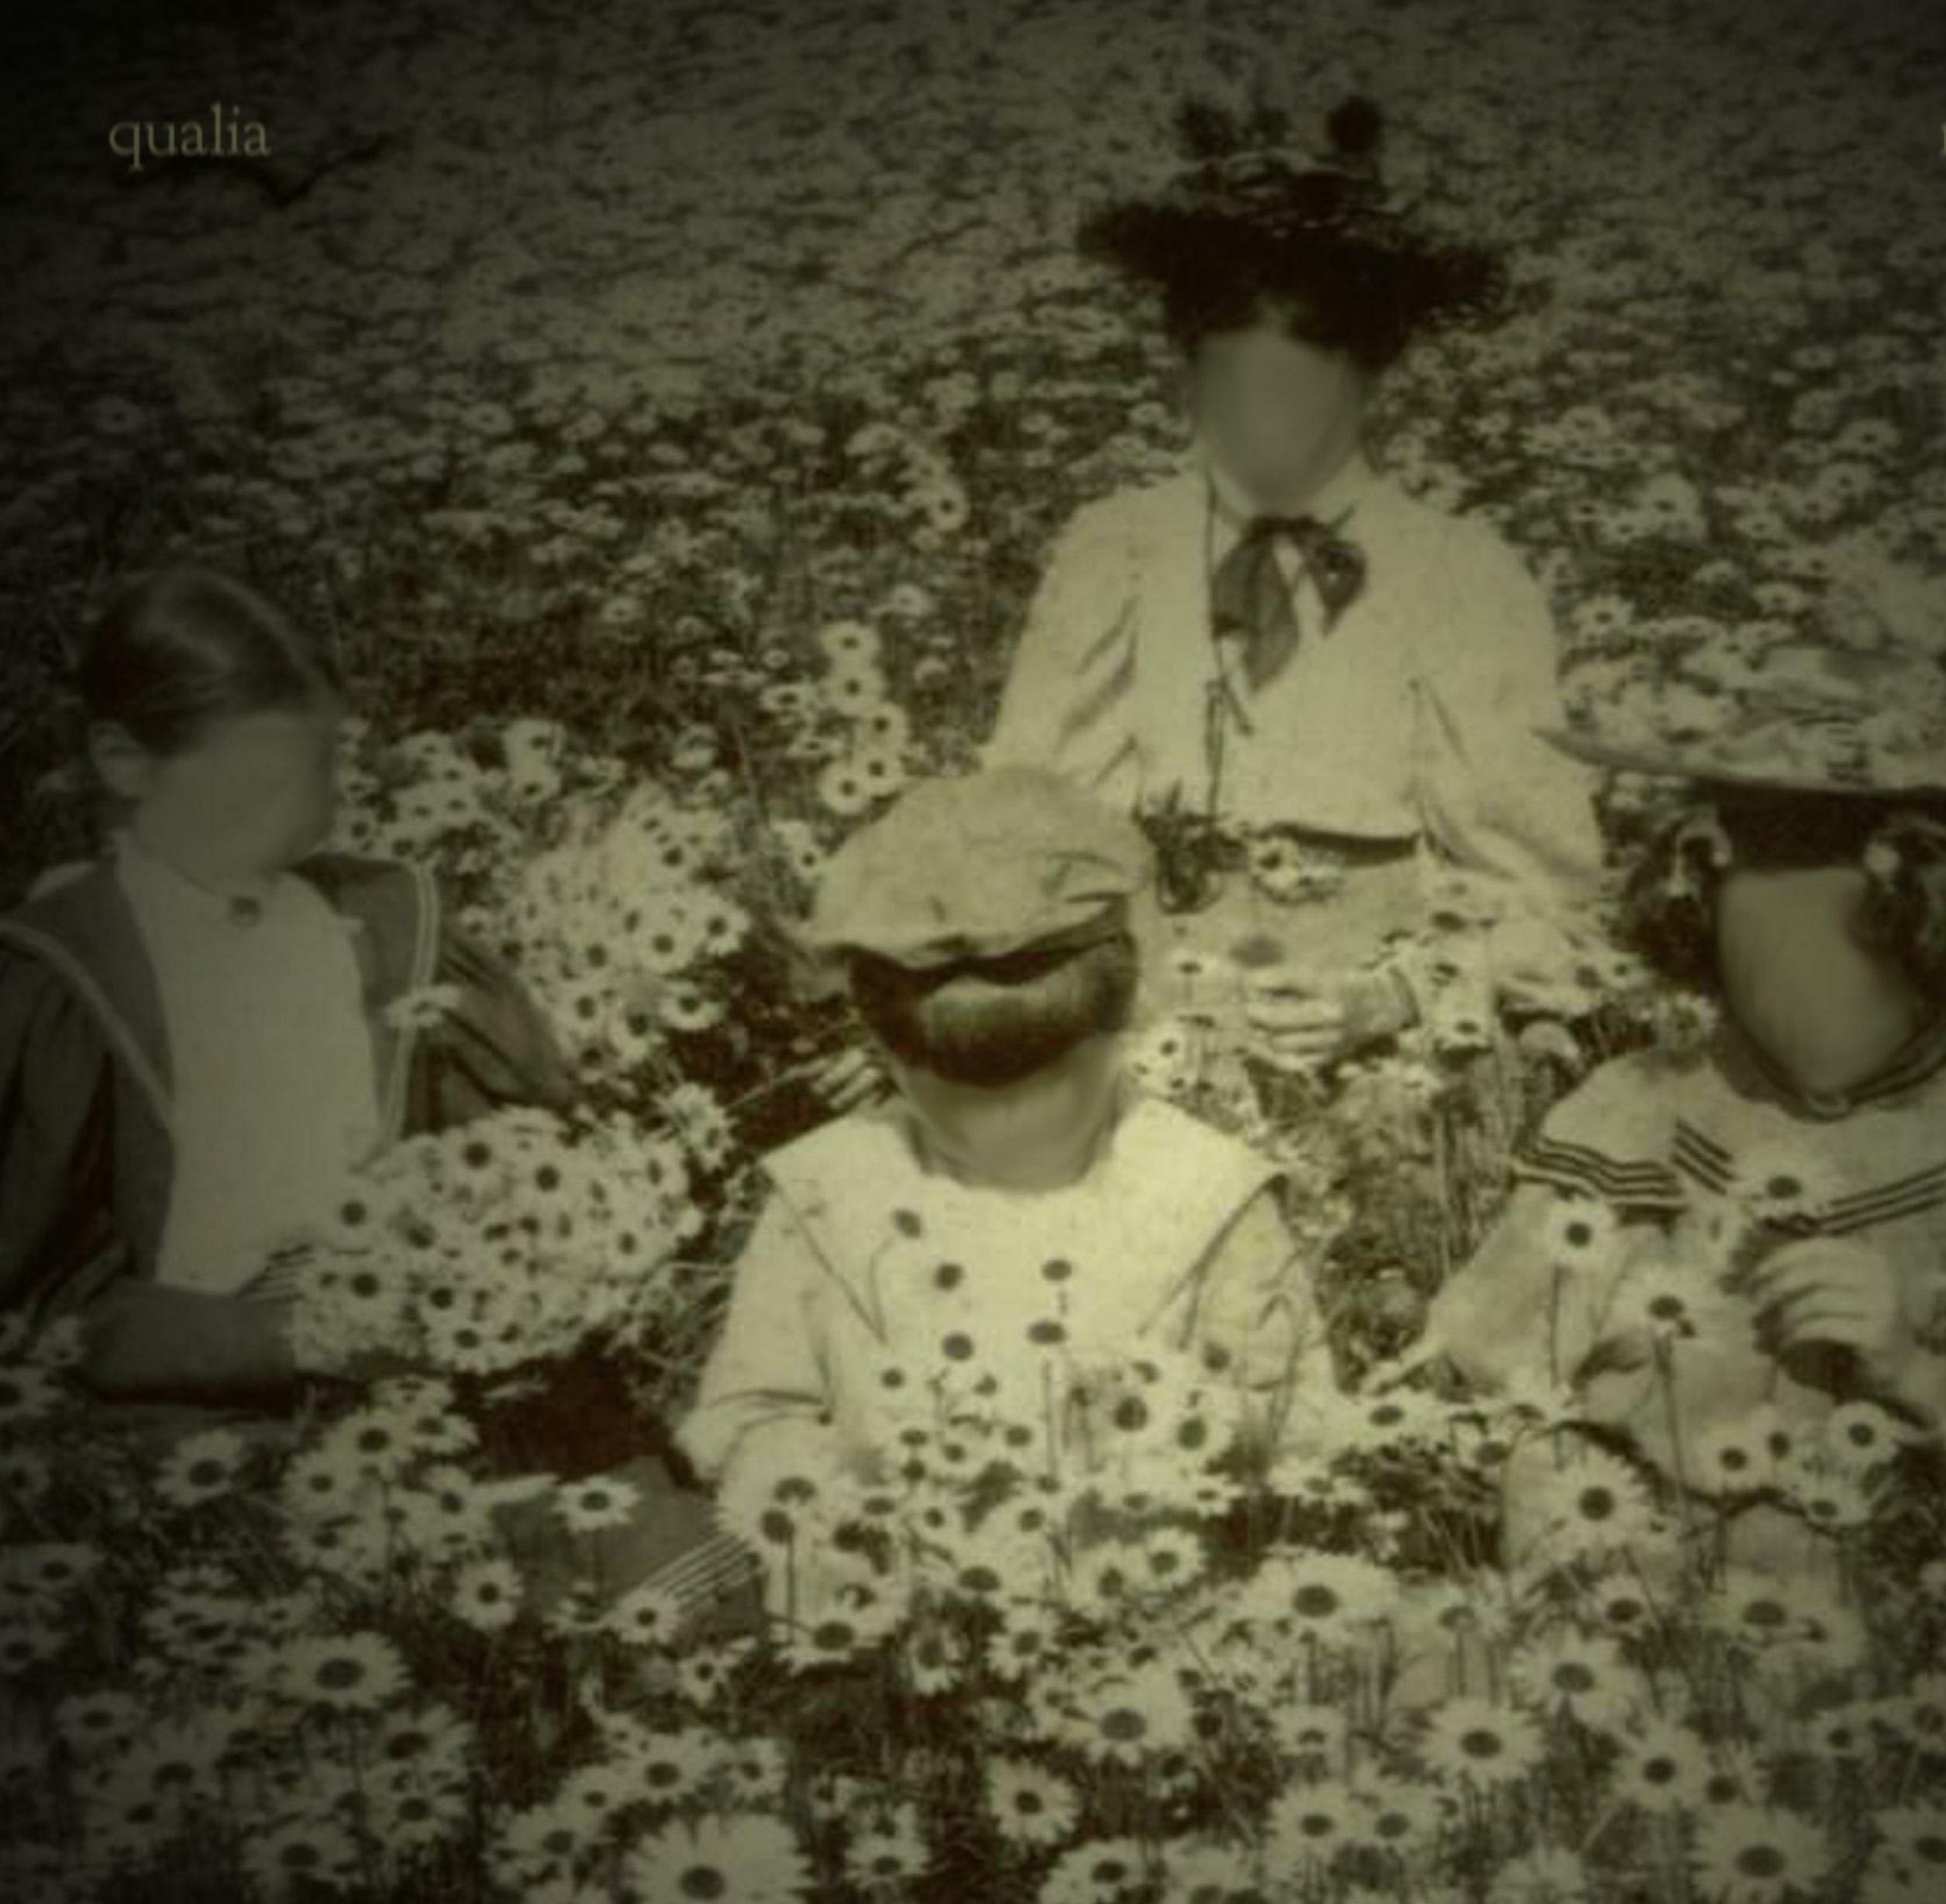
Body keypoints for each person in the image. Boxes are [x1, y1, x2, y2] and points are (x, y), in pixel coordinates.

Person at [0, 563, 749, 1644]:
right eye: (257, 781)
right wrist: (302, 1336)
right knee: (352, 1611)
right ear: (125, 761)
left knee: (678, 1580)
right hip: (210, 1401)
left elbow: (507, 1150)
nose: (307, 808)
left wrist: (521, 1259)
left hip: (445, 1357)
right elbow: (52, 1311)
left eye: (322, 770)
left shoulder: (383, 921)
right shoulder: (71, 974)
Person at [1421, 628, 1946, 1598]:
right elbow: (1474, 1381)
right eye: (1760, 926)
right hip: (1640, 1612)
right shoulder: (1640, 1115)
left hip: (1943, 1617)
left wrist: (1914, 1367)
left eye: (1848, 947)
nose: (1801, 993)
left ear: (1933, 913)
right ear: (1700, 890)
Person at [983, 95, 1607, 1078]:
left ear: (1371, 380)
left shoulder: (1458, 573)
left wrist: (1388, 998)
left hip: (1386, 1052)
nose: (1263, 425)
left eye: (1300, 390)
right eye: (1229, 385)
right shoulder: (1120, 550)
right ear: (1186, 376)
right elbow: (1029, 834)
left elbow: (1540, 887)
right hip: (1148, 1038)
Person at [675, 766, 1340, 1598]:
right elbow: (745, 1413)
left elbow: (1306, 1419)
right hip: (886, 1615)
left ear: (1117, 1032)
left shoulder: (1201, 1187)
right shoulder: (829, 1190)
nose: (1008, 1128)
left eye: (1048, 1095)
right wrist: (823, 1484)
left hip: (1155, 1613)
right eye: (963, 1103)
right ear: (888, 1054)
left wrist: (1194, 1418)